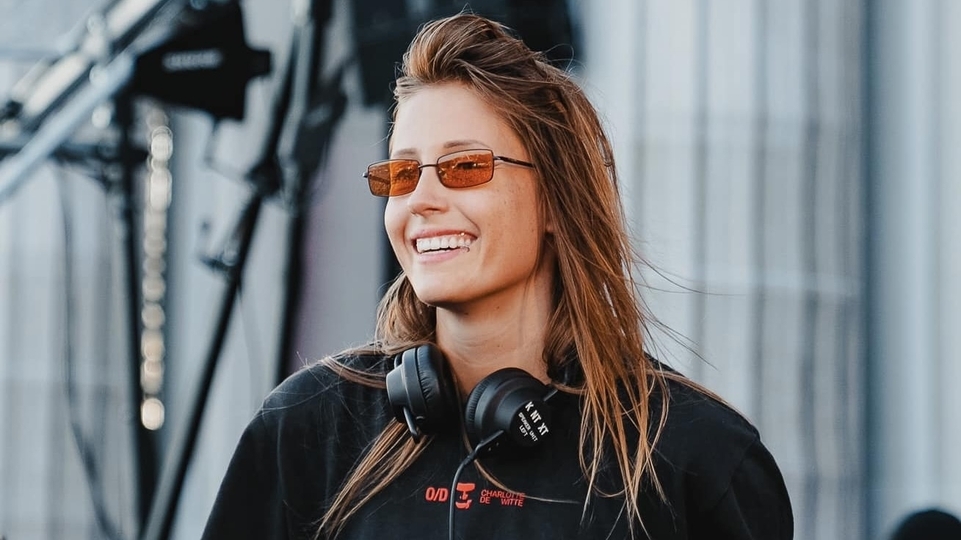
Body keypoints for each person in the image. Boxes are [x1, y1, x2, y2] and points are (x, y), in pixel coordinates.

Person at [201, 12, 794, 540]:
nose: (421, 199)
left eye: (464, 166)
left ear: (555, 202)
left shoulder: (696, 456)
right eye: (402, 174)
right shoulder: (306, 428)